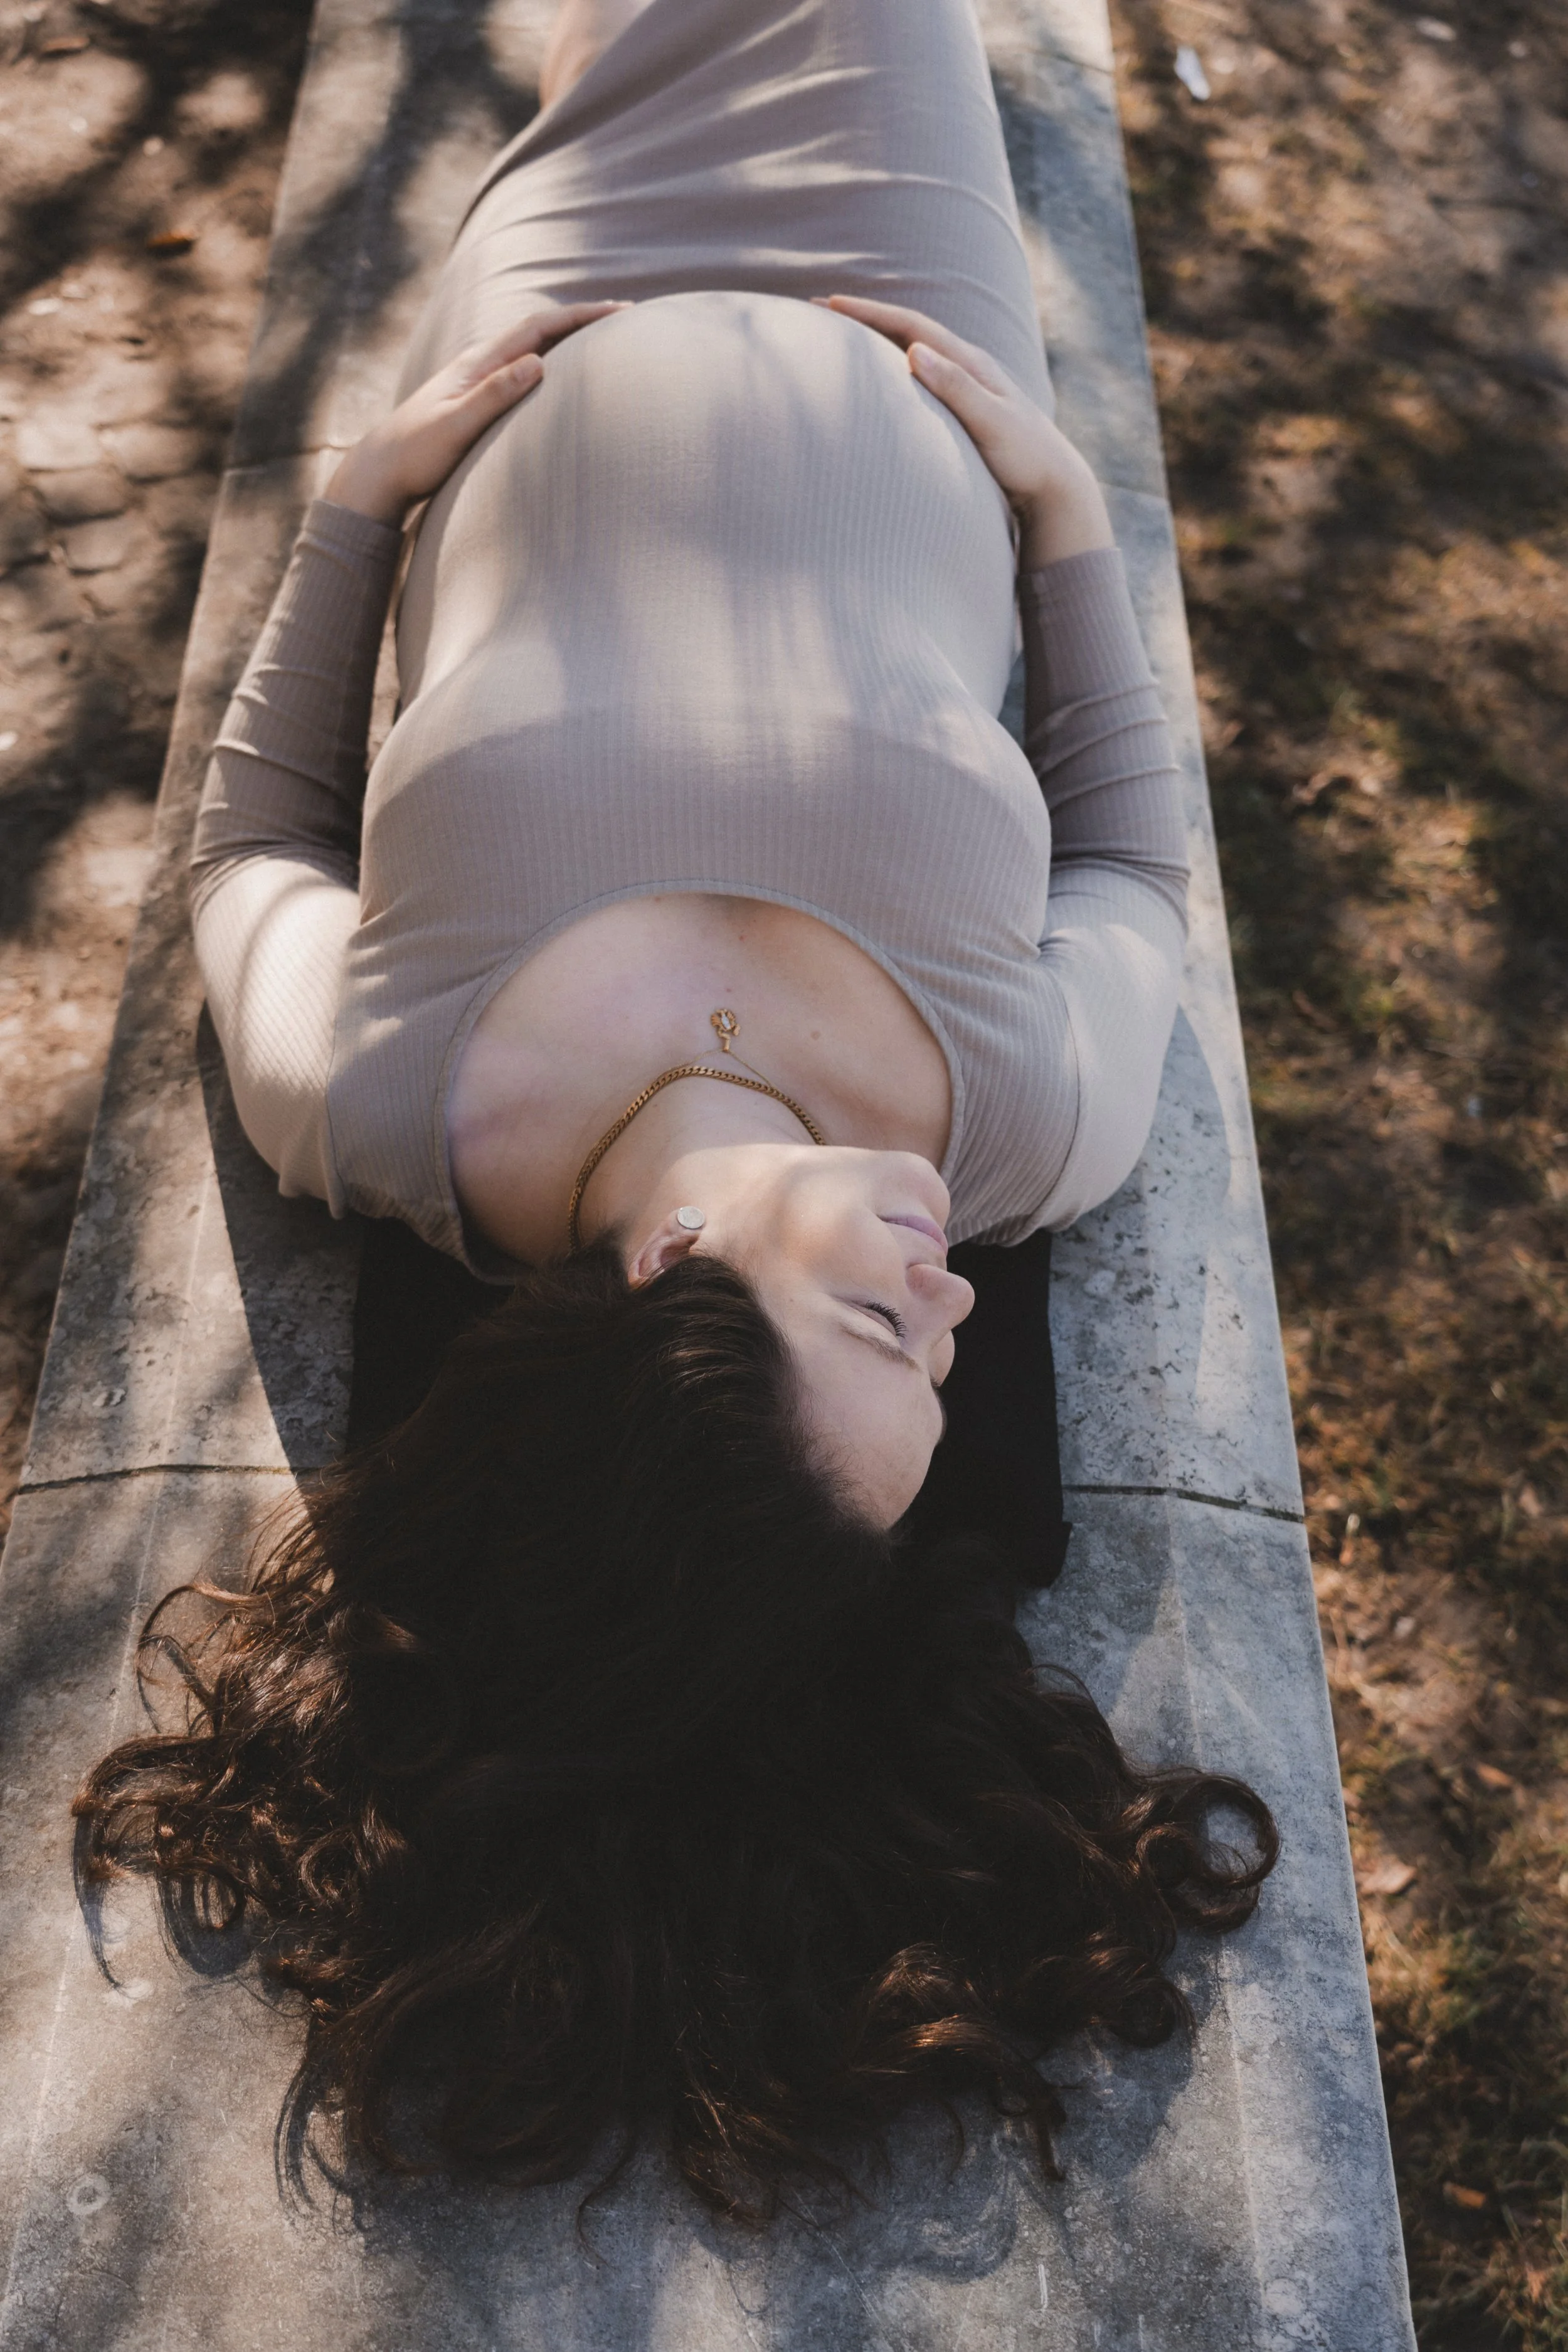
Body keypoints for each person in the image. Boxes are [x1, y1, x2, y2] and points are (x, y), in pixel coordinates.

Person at [75, 0, 1275, 2221]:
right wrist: (1055, 512)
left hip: (559, 279)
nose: (955, 1295)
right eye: (946, 1358)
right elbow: (1128, 868)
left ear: (671, 1271)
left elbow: (253, 843)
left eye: (881, 1324)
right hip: (899, 269)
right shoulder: (1018, 1130)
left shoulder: (391, 1106)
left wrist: (360, 503)